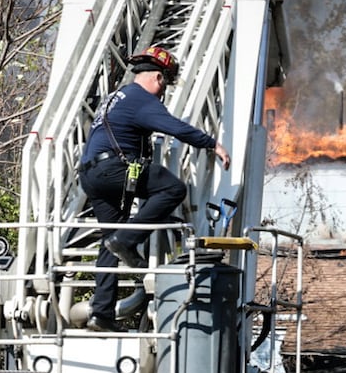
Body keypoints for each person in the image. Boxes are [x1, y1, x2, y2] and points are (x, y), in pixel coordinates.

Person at [77, 45, 231, 333]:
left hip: (90, 175)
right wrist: (212, 144)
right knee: (172, 189)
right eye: (165, 86)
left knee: (109, 238)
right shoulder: (142, 100)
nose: (163, 94)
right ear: (158, 79)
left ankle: (101, 313)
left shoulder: (114, 98)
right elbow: (174, 127)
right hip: (115, 170)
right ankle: (127, 240)